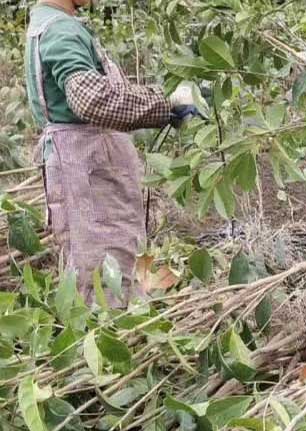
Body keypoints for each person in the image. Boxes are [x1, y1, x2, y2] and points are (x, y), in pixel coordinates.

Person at [25, 0, 196, 307]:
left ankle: (121, 332)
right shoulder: (61, 30)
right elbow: (92, 99)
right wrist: (164, 104)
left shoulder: (47, 23)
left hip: (84, 166)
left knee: (107, 259)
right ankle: (117, 341)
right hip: (89, 170)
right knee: (106, 267)